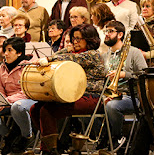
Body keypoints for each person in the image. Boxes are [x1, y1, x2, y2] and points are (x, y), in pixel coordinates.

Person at [30, 24, 105, 154]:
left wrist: (49, 58)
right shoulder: (70, 52)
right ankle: (56, 145)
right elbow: (59, 55)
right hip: (72, 95)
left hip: (91, 97)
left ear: (89, 39)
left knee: (48, 111)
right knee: (35, 109)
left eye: (78, 39)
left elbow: (73, 59)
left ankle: (49, 151)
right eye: (73, 39)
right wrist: (64, 50)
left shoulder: (93, 55)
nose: (75, 42)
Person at [0, 37, 36, 154]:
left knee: (17, 106)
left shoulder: (28, 67)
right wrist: (0, 101)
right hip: (7, 101)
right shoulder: (2, 67)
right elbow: (0, 87)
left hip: (26, 100)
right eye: (5, 50)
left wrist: (5, 101)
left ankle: (27, 137)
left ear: (19, 53)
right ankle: (9, 136)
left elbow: (27, 92)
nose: (5, 54)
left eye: (10, 50)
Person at [101, 21, 147, 148]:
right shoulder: (105, 56)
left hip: (131, 96)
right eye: (106, 31)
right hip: (110, 94)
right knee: (90, 105)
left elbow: (144, 75)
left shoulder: (134, 52)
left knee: (111, 106)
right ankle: (102, 137)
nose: (107, 34)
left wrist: (124, 74)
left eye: (110, 31)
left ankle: (118, 137)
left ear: (120, 34)